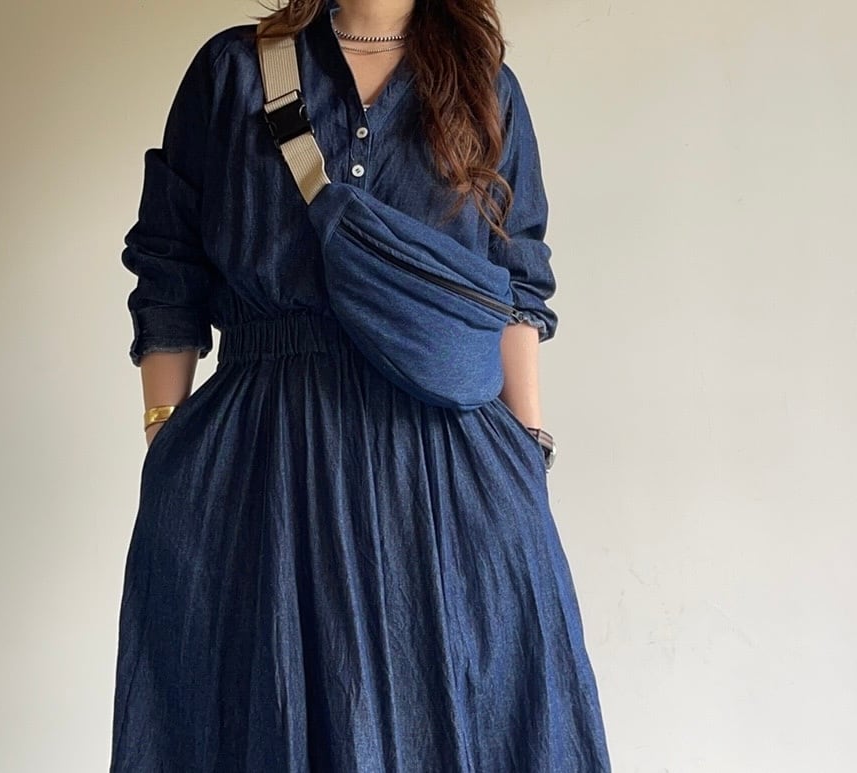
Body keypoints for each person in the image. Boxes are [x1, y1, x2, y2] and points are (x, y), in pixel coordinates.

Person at [109, 0, 612, 770]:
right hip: (261, 463)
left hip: (444, 470)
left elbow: (514, 285)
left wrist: (526, 453)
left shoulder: (483, 86)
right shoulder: (232, 71)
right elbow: (168, 261)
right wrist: (165, 432)